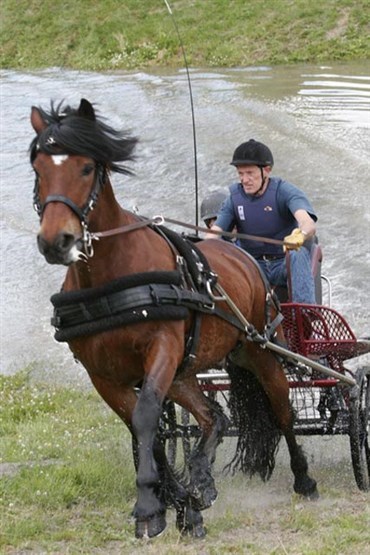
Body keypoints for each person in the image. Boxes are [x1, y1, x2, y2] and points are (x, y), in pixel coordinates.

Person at [204, 139, 318, 303]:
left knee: (297, 255)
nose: (244, 179)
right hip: (252, 266)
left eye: (250, 173)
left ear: (266, 171)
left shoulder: (284, 191)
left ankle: (304, 313)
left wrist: (301, 235)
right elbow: (215, 232)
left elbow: (308, 223)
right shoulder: (234, 198)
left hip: (283, 264)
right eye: (241, 174)